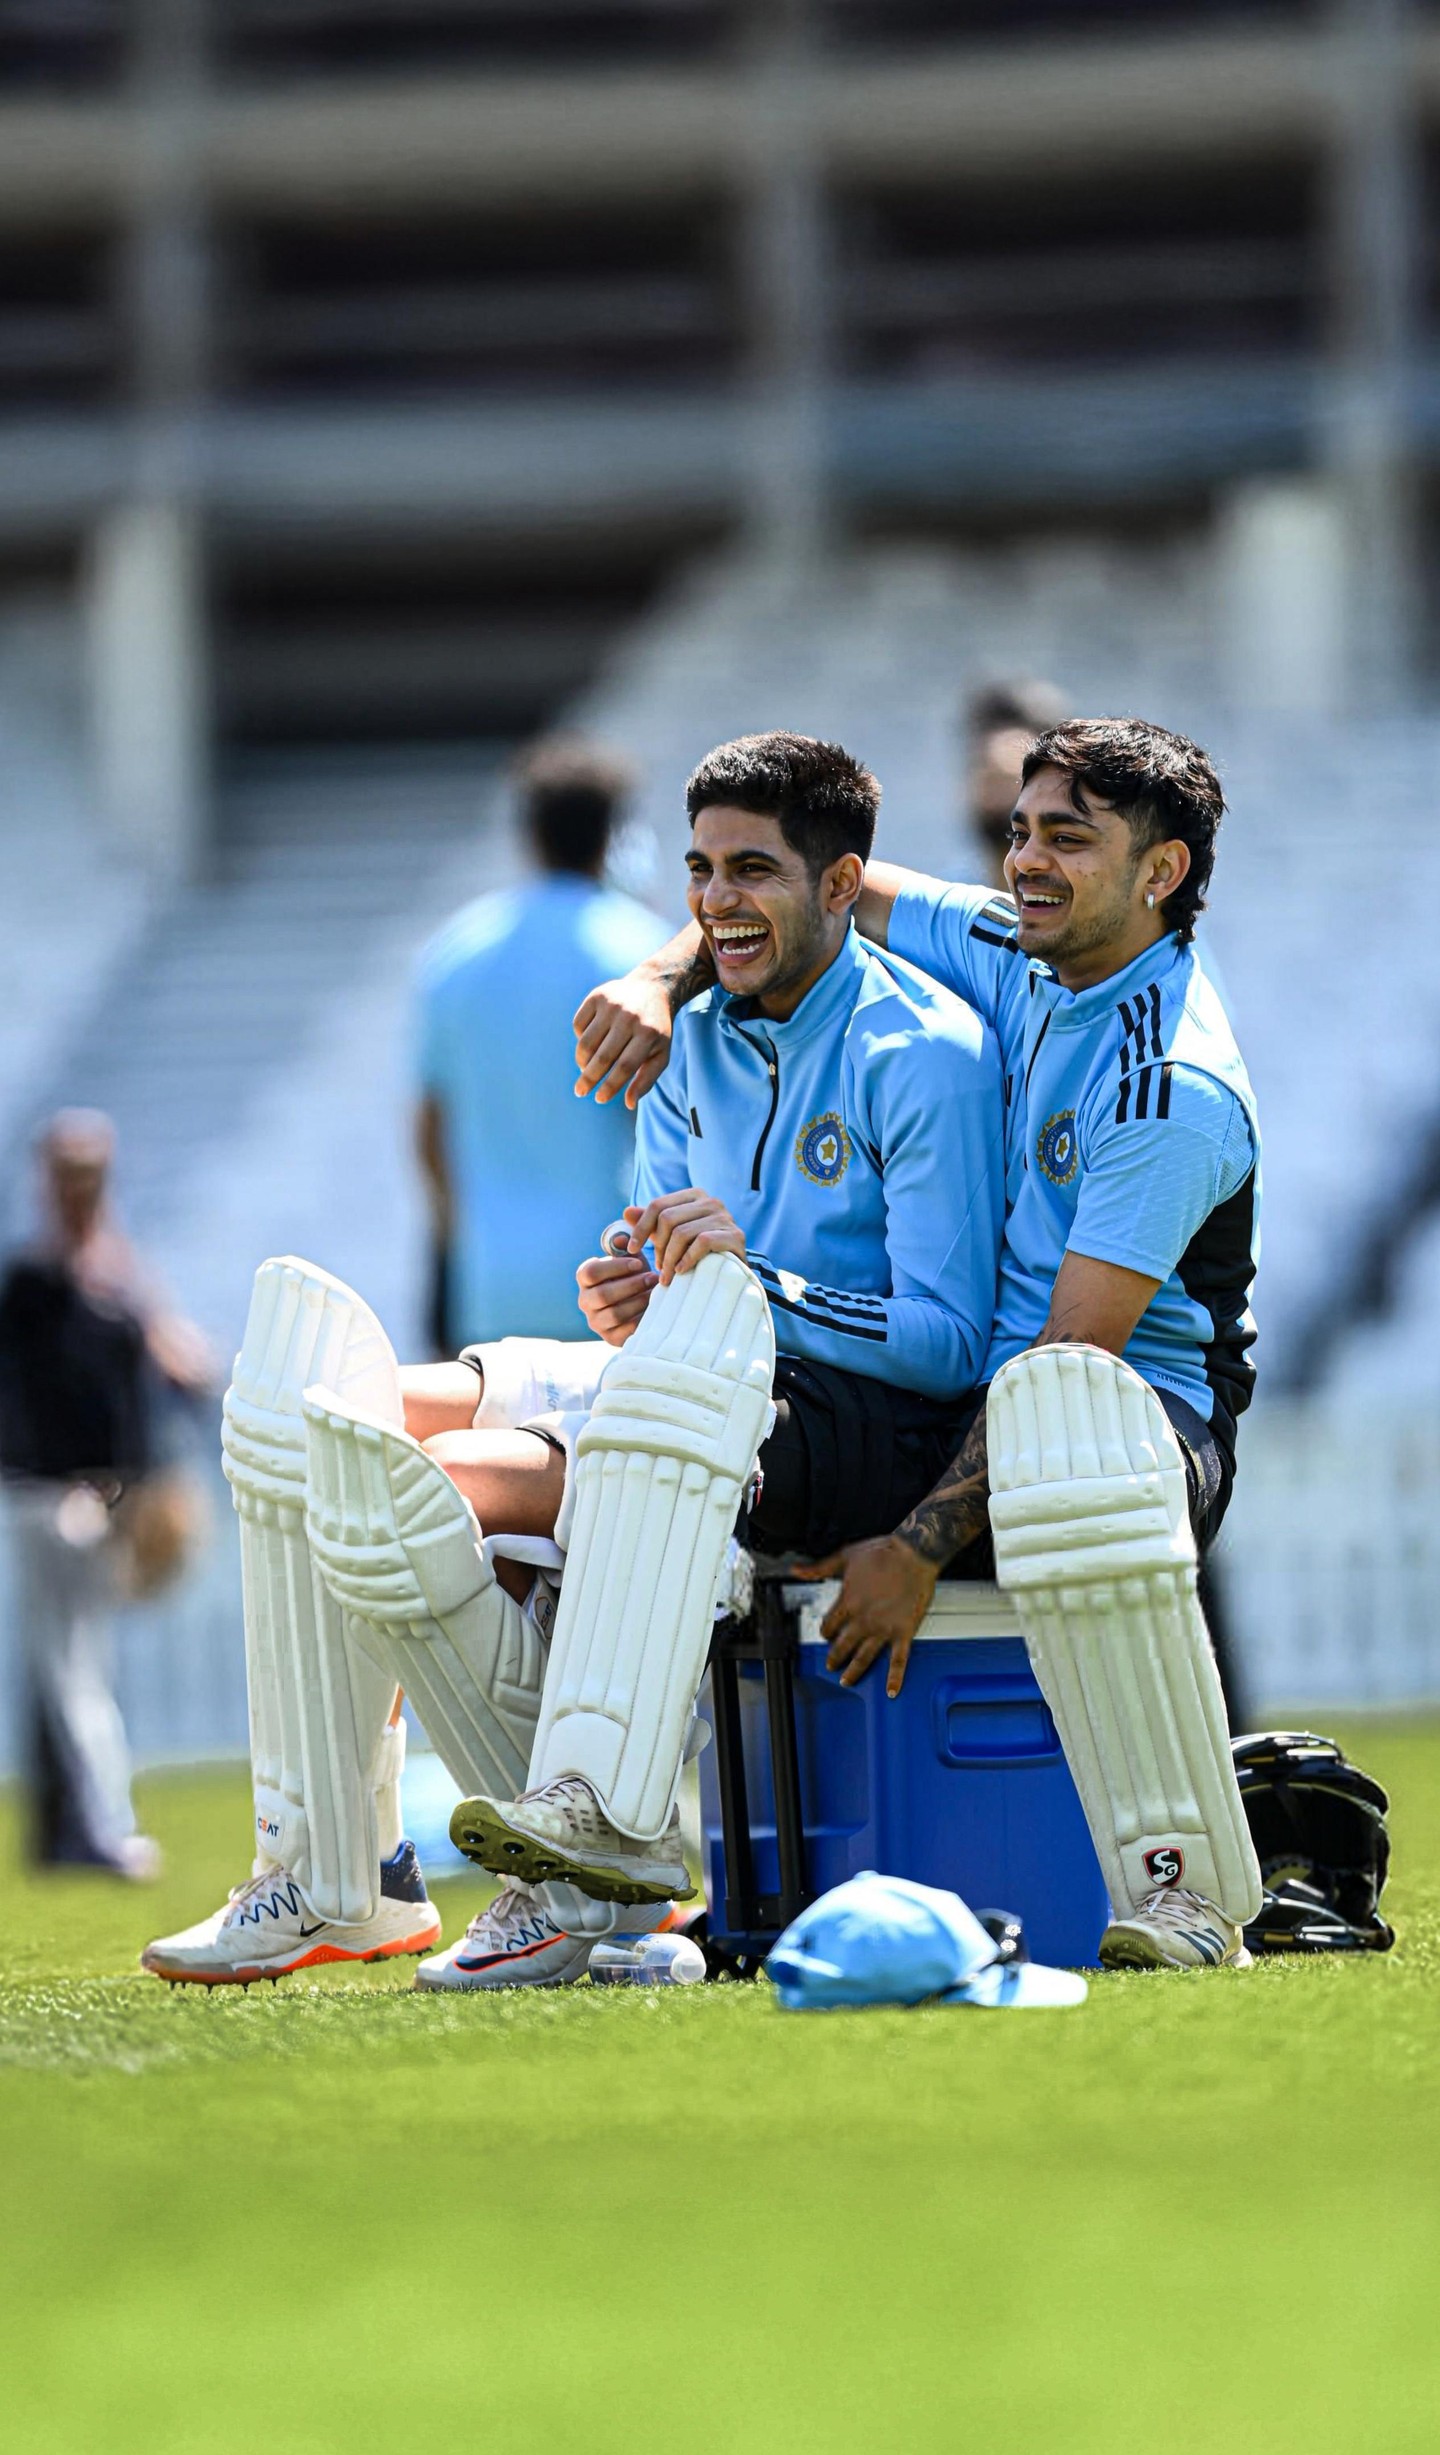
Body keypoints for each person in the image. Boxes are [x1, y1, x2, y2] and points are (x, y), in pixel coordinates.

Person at [140, 732, 1005, 1991]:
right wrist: (636, 1287)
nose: (714, 900)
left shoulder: (926, 1050)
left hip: (849, 1415)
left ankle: (584, 1868)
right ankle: (338, 1869)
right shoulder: (681, 1038)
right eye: (700, 868)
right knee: (317, 1414)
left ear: (840, 883)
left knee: (422, 1491)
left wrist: (750, 1283)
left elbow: (948, 1342)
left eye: (751, 869)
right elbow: (663, 1279)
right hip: (683, 1378)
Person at [571, 717, 1265, 1972]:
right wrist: (659, 981)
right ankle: (591, 1854)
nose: (1026, 860)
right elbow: (801, 886)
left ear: (1161, 872)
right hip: (975, 1398)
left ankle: (1190, 1889)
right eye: (1021, 830)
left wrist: (915, 1544)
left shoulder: (1168, 1082)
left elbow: (1068, 1357)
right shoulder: (1017, 942)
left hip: (1142, 1414)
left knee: (1068, 1442)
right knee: (672, 1421)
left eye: (1069, 837)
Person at [0, 1111, 213, 1876]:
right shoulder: (36, 1282)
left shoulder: (115, 1273)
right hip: (52, 1496)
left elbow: (185, 1367)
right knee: (72, 1672)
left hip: (100, 1497)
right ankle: (103, 1827)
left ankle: (61, 1833)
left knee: (64, 1667)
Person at [414, 735, 664, 1351]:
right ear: (614, 833)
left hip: (491, 1289)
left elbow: (429, 1128)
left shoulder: (456, 951)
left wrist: (463, 1241)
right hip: (619, 1289)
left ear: (528, 833)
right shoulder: (648, 958)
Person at [963, 678, 1069, 890]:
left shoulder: (1079, 890)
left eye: (1009, 778)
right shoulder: (954, 892)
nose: (996, 798)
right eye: (988, 777)